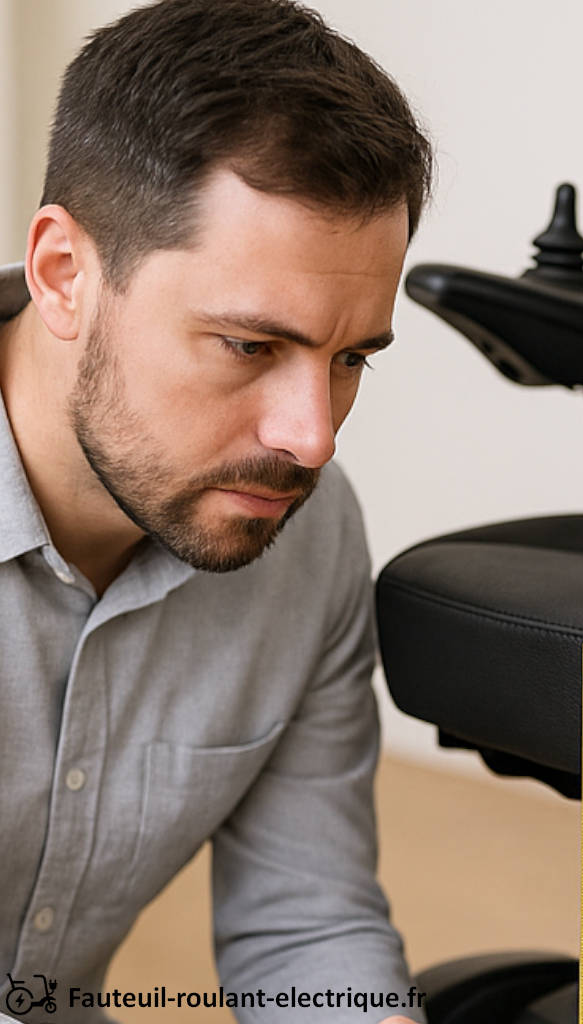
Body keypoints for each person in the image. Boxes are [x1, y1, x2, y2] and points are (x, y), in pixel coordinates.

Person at [0, 1, 432, 1021]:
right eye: (249, 346)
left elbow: (306, 925)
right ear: (66, 275)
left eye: (351, 358)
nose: (311, 436)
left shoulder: (303, 529)